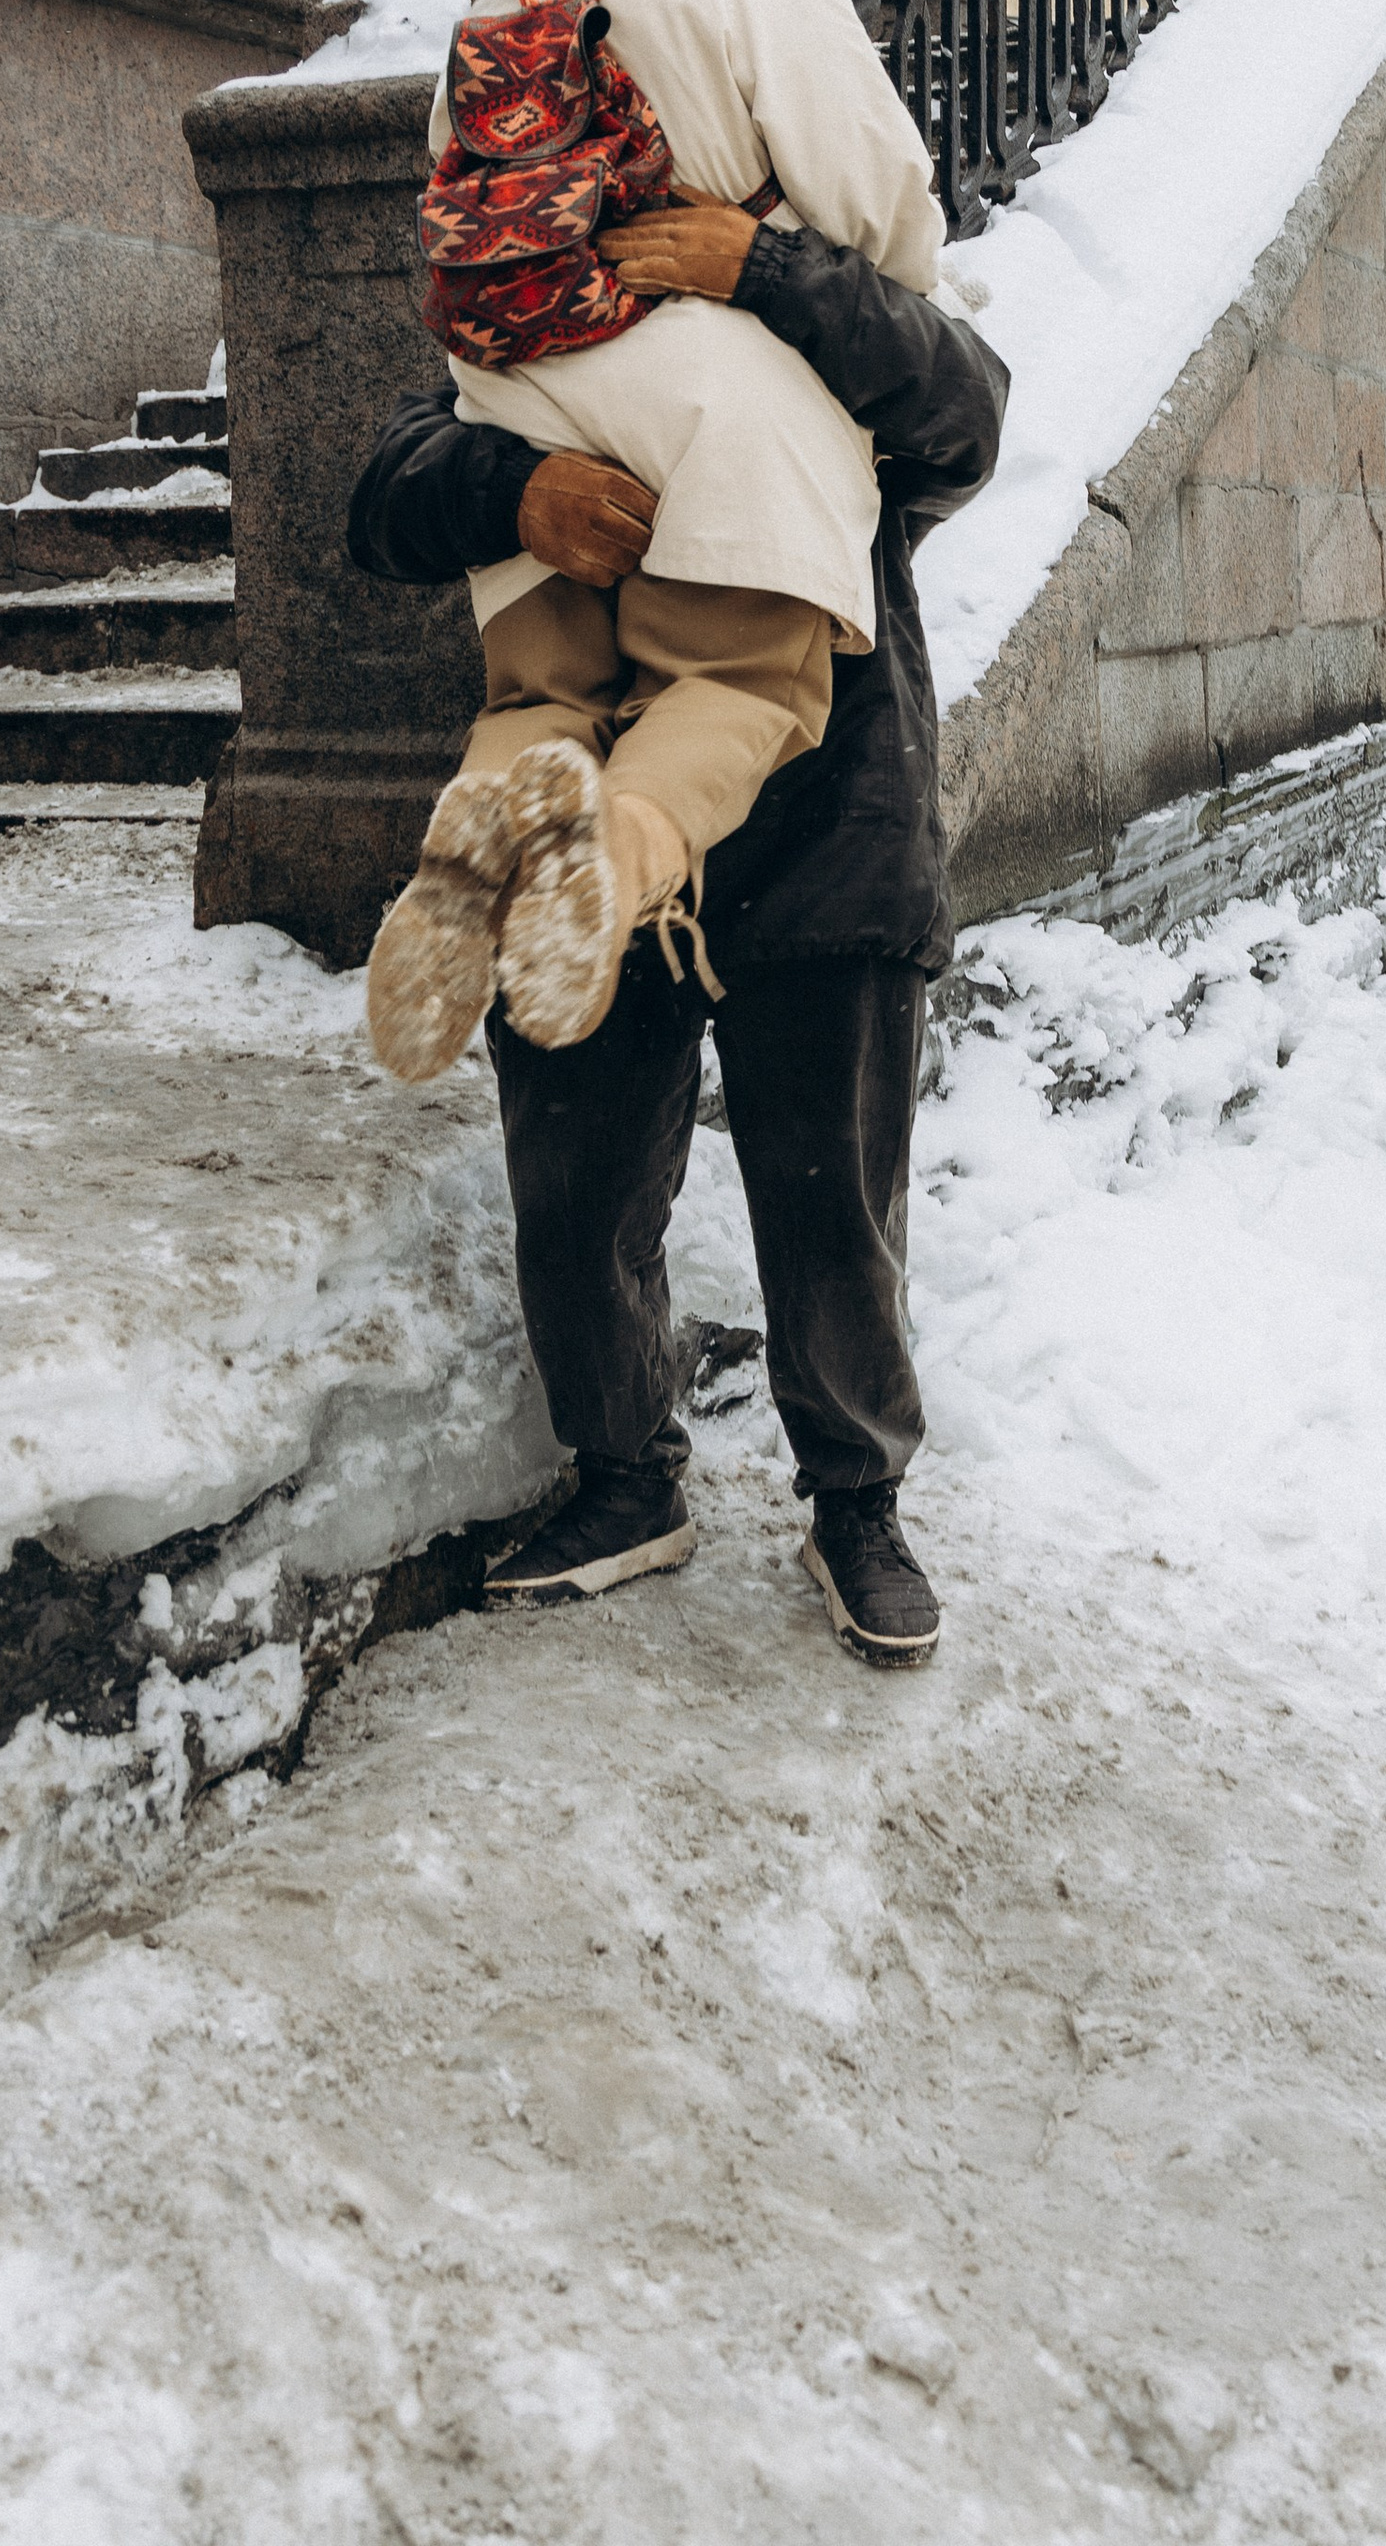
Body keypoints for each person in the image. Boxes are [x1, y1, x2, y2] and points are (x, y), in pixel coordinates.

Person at [348, 197, 1007, 1671]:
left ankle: (858, 1503)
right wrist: (516, 496)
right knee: (575, 1193)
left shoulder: (815, 289)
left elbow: (966, 414)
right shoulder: (546, 321)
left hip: (826, 828)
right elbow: (383, 484)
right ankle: (625, 1476)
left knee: (834, 1209)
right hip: (575, 822)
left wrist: (760, 267)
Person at [363, 0, 945, 1086]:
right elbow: (881, 206)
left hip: (517, 394)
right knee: (738, 682)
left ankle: (473, 843)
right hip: (716, 382)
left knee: (536, 696)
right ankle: (611, 872)